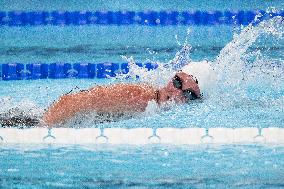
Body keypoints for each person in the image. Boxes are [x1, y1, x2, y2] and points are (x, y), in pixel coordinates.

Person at [42, 71, 200, 127]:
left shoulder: (154, 103)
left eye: (188, 94)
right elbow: (72, 101)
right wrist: (43, 127)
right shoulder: (140, 96)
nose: (177, 91)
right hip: (50, 122)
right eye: (177, 81)